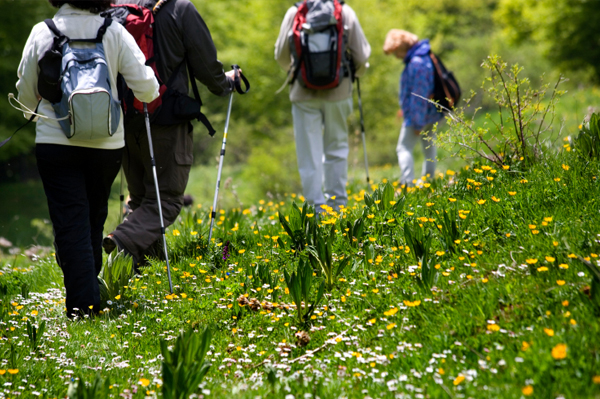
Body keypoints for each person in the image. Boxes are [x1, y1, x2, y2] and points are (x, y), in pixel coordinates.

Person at [16, 0, 160, 318]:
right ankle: (88, 293)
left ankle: (84, 305)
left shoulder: (43, 32)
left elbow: (26, 98)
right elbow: (147, 88)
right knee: (93, 216)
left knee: (71, 220)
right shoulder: (114, 31)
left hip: (56, 142)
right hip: (107, 144)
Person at [103, 0, 235, 266]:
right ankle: (122, 238)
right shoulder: (179, 9)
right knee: (167, 201)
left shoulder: (117, 8)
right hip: (166, 118)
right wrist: (226, 83)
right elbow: (206, 66)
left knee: (141, 200)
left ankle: (148, 268)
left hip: (125, 119)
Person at [275, 0, 371, 211]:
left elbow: (280, 54)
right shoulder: (344, 12)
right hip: (339, 90)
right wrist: (352, 75)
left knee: (309, 154)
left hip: (303, 93)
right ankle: (337, 206)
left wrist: (298, 72)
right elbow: (362, 57)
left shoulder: (294, 12)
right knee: (336, 148)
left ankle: (315, 209)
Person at [383, 29, 443, 186]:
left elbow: (419, 95)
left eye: (396, 53)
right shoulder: (423, 57)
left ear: (402, 48)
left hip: (421, 115)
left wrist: (417, 122)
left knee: (403, 148)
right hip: (430, 113)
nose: (397, 57)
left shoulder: (416, 63)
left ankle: (408, 183)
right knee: (429, 143)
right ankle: (429, 180)